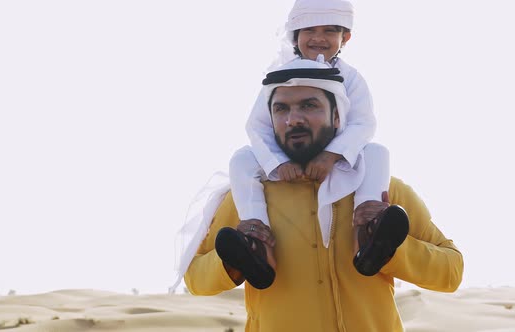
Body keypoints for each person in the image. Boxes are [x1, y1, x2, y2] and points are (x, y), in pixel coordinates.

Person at [184, 58, 464, 331]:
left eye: (309, 105)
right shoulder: (248, 197)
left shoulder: (380, 190)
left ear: (337, 116)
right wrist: (234, 261)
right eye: (281, 109)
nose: (293, 119)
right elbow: (195, 278)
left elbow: (451, 272)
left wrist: (392, 250)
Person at [224, 0, 391, 288]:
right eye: (309, 30)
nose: (318, 38)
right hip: (286, 161)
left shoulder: (353, 78)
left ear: (345, 37)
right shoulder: (278, 76)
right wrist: (279, 163)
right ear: (295, 36)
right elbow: (258, 126)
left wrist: (330, 156)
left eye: (329, 30)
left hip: (337, 162)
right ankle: (258, 245)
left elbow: (364, 123)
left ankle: (367, 233)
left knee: (377, 152)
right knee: (241, 159)